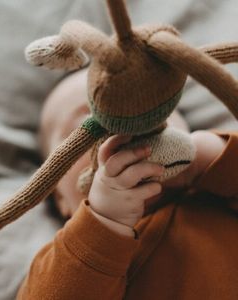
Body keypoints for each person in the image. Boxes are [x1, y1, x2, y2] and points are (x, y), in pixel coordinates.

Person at [17, 69, 238, 299]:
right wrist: (102, 225)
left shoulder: (217, 192)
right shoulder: (63, 263)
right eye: (86, 125)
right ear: (59, 197)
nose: (123, 127)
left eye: (148, 110)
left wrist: (208, 157)